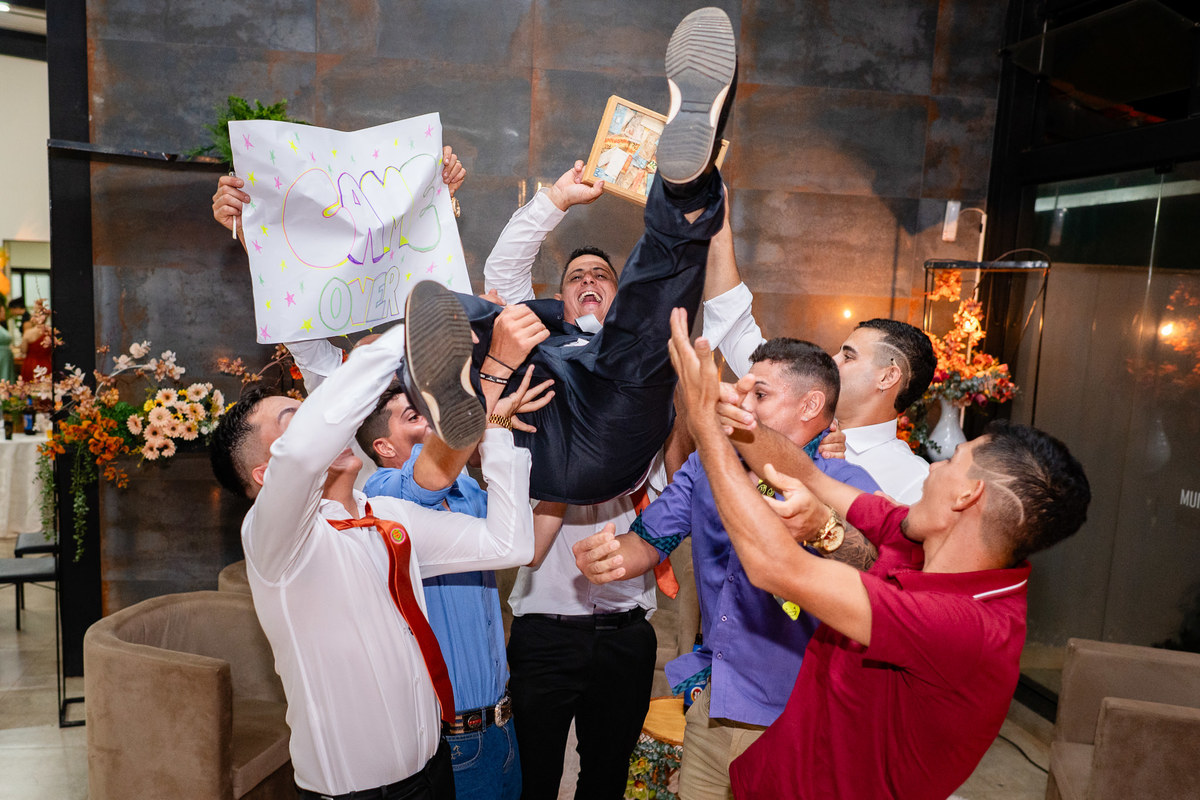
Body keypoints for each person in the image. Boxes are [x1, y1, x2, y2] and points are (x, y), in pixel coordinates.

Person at [661, 308, 1091, 800]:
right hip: (772, 777)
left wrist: (705, 428)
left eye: (952, 461)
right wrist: (730, 418)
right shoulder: (916, 538)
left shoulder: (965, 628)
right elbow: (808, 474)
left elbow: (775, 566)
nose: (932, 469)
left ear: (966, 496)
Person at [208, 281, 541, 800]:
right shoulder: (275, 545)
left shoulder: (386, 516)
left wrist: (496, 431)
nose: (321, 425)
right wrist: (406, 341)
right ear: (267, 476)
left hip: (435, 772)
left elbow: (509, 546)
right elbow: (302, 455)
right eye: (296, 419)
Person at [572, 337, 879, 800]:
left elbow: (879, 575)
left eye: (760, 394)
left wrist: (823, 528)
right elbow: (649, 541)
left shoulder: (845, 484)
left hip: (798, 718)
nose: (742, 403)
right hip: (714, 709)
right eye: (743, 391)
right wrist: (608, 556)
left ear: (810, 405)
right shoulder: (707, 465)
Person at [353, 301, 553, 800]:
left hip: (503, 725)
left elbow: (525, 547)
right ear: (384, 447)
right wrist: (492, 375)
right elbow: (430, 476)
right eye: (412, 417)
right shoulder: (384, 495)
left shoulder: (467, 490)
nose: (429, 423)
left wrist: (574, 466)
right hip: (455, 739)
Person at [700, 201, 936, 503]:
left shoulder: (912, 480)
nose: (832, 360)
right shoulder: (788, 395)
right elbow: (734, 324)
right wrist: (717, 226)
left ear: (888, 376)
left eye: (848, 356)